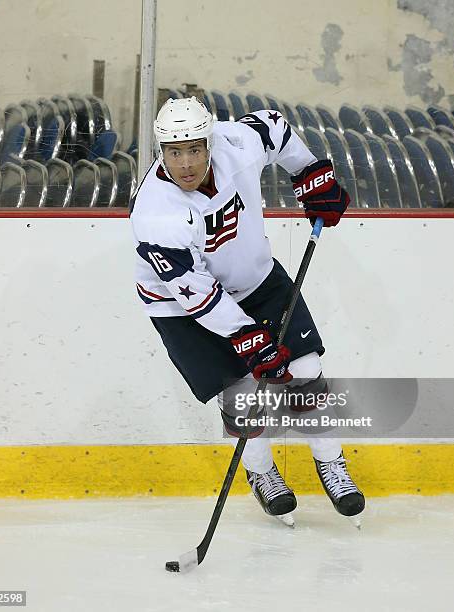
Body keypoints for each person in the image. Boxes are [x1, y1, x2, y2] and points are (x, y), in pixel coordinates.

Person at [130, 96, 365, 526]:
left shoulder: (234, 142)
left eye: (195, 149)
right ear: (160, 152)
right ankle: (260, 472)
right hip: (182, 307)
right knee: (239, 392)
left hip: (255, 278)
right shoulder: (155, 216)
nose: (185, 163)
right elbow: (197, 296)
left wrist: (311, 175)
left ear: (209, 142)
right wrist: (249, 338)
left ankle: (332, 462)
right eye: (174, 152)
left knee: (306, 371)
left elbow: (275, 128)